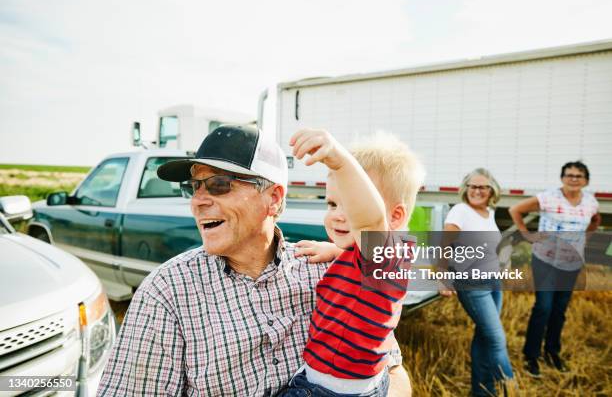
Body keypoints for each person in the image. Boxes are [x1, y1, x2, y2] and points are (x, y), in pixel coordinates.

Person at [96, 125, 411, 396]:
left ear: (273, 198)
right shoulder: (168, 292)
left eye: (220, 185)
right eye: (194, 187)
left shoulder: (323, 269)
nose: (198, 201)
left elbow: (394, 373)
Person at [278, 130, 425, 396]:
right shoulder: (371, 257)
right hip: (334, 380)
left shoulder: (387, 253)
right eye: (333, 204)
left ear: (394, 216)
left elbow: (369, 222)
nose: (337, 216)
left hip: (333, 390)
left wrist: (340, 161)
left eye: (351, 207)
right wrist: (334, 249)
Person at [509, 161, 601, 378]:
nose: (573, 179)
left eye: (578, 176)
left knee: (559, 310)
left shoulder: (590, 202)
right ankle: (531, 355)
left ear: (585, 180)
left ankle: (552, 352)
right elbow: (515, 210)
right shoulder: (548, 197)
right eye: (569, 175)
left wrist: (585, 237)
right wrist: (527, 234)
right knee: (543, 307)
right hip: (546, 260)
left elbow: (596, 221)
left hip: (571, 263)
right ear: (562, 178)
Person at [443, 168, 514, 397]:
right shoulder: (460, 211)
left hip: (493, 281)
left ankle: (482, 392)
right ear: (466, 189)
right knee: (496, 340)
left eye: (482, 186)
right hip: (472, 284)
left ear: (491, 190)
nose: (477, 190)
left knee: (484, 337)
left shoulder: (489, 212)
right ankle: (510, 391)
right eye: (472, 186)